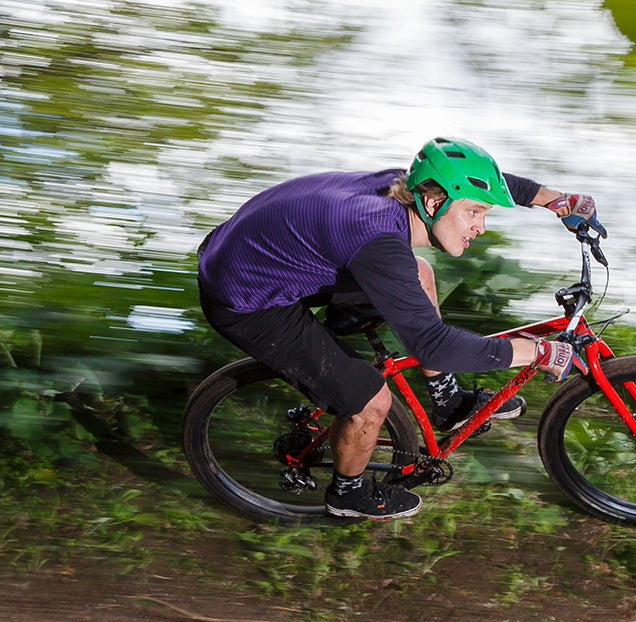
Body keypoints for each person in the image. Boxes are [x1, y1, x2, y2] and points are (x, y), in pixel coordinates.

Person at [197, 136, 605, 521]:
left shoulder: (408, 188)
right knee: (371, 402)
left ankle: (448, 402)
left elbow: (490, 184)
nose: (480, 227)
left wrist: (555, 200)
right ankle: (348, 495)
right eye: (473, 213)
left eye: (482, 212)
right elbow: (432, 344)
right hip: (247, 297)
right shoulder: (378, 239)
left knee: (420, 273)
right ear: (432, 201)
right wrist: (538, 351)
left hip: (266, 255)